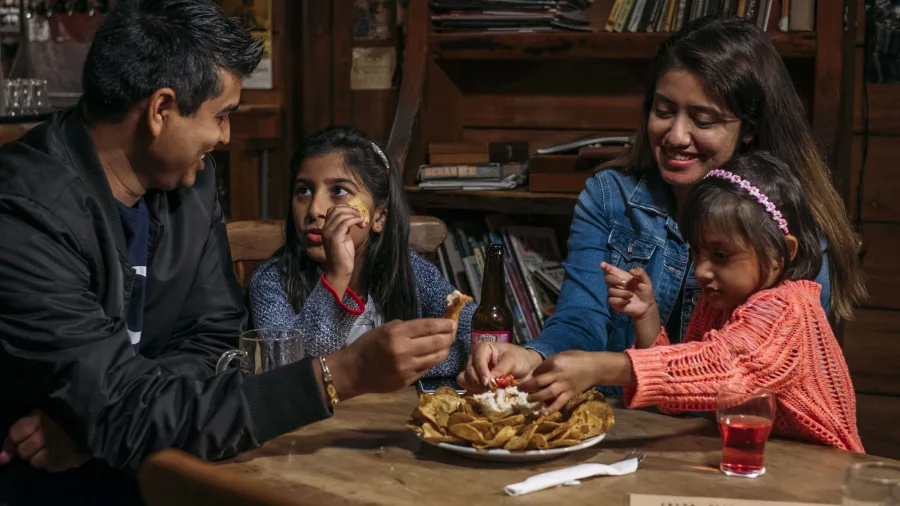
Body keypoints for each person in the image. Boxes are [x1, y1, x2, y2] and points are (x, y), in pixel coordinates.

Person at [0, 1, 455, 504]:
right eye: (220, 117)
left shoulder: (190, 186)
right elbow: (126, 409)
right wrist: (339, 374)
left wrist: (101, 419)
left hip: (172, 463)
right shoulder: (24, 213)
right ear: (160, 110)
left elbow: (216, 343)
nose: (226, 137)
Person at [457, 16, 866, 390]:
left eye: (703, 120)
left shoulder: (786, 224)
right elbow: (580, 321)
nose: (676, 136)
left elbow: (741, 365)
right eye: (664, 111)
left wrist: (608, 368)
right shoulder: (609, 197)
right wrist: (532, 357)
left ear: (748, 129)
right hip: (628, 426)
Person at [516, 152, 864, 453]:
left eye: (721, 255)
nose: (701, 270)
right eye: (696, 252)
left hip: (818, 475)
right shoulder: (718, 303)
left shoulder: (788, 310)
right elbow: (683, 392)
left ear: (780, 253)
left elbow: (722, 368)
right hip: (762, 464)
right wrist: (647, 316)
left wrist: (599, 367)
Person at [249, 125, 475, 375]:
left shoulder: (408, 270)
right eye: (304, 190)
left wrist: (390, 363)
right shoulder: (272, 281)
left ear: (378, 218)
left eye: (339, 191)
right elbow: (287, 372)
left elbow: (475, 333)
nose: (314, 209)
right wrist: (336, 276)